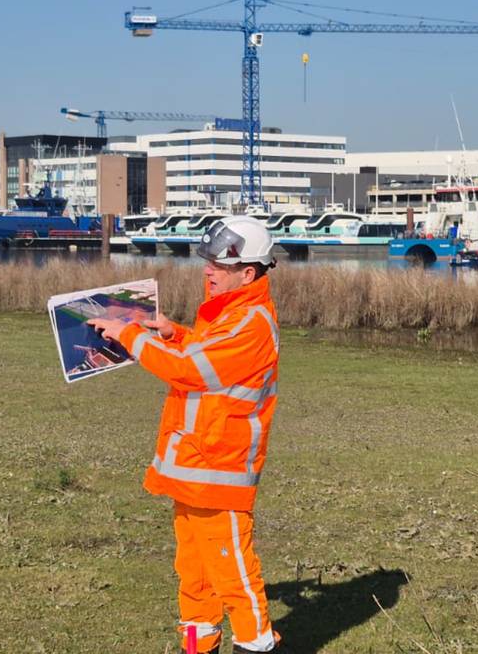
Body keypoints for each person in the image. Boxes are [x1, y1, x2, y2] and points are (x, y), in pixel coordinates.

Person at [88, 215, 282, 653]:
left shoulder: (251, 323)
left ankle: (257, 645)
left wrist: (130, 334)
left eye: (218, 266)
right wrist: (174, 333)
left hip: (220, 474)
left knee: (235, 578)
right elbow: (206, 356)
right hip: (195, 468)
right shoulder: (229, 316)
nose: (207, 272)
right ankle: (198, 647)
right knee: (194, 580)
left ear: (247, 272)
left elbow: (192, 370)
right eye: (207, 263)